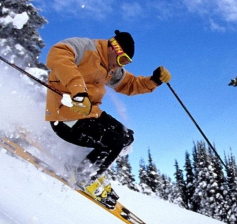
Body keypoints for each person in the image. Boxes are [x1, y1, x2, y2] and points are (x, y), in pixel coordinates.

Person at [45, 30, 171, 208]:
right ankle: (82, 176)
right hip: (65, 114)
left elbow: (129, 84)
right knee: (114, 141)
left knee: (126, 136)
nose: (122, 65)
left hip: (89, 114)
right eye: (122, 60)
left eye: (126, 62)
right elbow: (57, 54)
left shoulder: (110, 68)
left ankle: (88, 166)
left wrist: (154, 81)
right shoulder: (86, 49)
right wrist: (78, 91)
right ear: (114, 48)